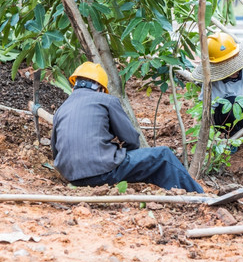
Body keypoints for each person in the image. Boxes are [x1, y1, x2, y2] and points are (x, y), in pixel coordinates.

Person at [51, 62, 204, 193]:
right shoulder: (106, 100)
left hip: (71, 176)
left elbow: (55, 150)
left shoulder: (62, 108)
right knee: (162, 155)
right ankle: (198, 195)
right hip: (101, 173)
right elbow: (131, 139)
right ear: (100, 88)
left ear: (75, 85)